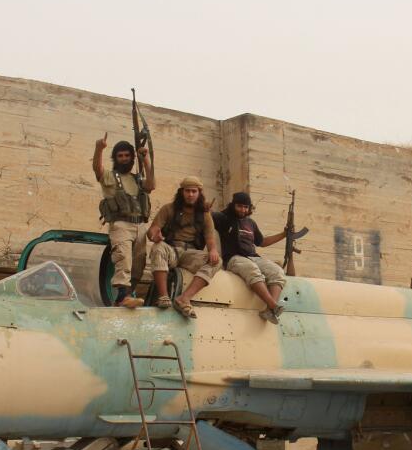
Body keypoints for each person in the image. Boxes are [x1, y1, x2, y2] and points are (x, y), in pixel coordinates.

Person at [92, 133, 155, 307]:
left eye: (127, 155)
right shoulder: (110, 177)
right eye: (120, 156)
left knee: (139, 263)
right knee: (123, 258)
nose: (124, 159)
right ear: (115, 158)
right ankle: (121, 296)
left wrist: (147, 159)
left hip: (139, 225)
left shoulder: (137, 178)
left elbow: (151, 185)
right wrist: (99, 148)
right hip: (121, 224)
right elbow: (97, 170)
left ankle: (126, 296)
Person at [145, 176, 221, 318]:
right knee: (157, 247)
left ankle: (184, 298)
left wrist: (213, 251)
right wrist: (154, 236)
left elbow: (210, 238)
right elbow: (153, 230)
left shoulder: (205, 215)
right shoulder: (168, 209)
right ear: (181, 192)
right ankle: (163, 297)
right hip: (171, 249)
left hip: (191, 254)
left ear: (199, 193)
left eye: (194, 191)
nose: (190, 195)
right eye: (187, 191)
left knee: (217, 261)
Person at [213, 192, 288, 324]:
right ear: (233, 205)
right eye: (239, 206)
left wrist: (284, 234)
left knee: (277, 272)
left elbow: (262, 242)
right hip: (234, 258)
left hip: (253, 257)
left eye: (246, 207)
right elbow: (206, 217)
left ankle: (270, 311)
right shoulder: (223, 217)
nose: (243, 210)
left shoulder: (250, 223)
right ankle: (273, 305)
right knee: (252, 270)